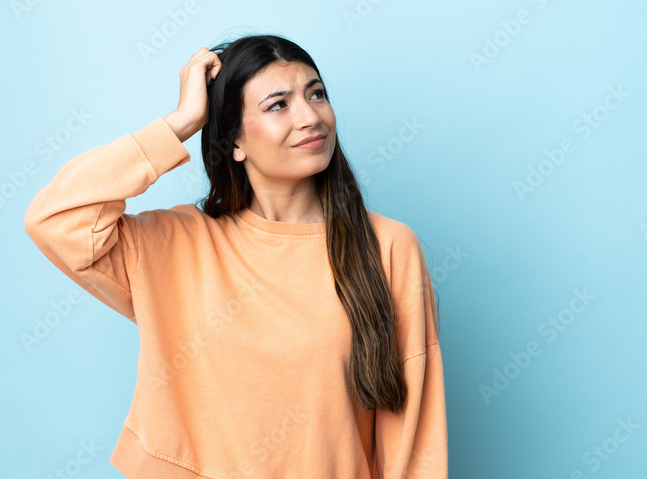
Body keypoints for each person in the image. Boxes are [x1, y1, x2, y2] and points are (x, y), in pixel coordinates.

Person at [23, 33, 447, 479]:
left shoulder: (387, 246)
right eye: (278, 104)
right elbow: (55, 219)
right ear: (235, 142)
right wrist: (182, 123)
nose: (310, 117)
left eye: (316, 94)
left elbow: (414, 436)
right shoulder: (176, 243)